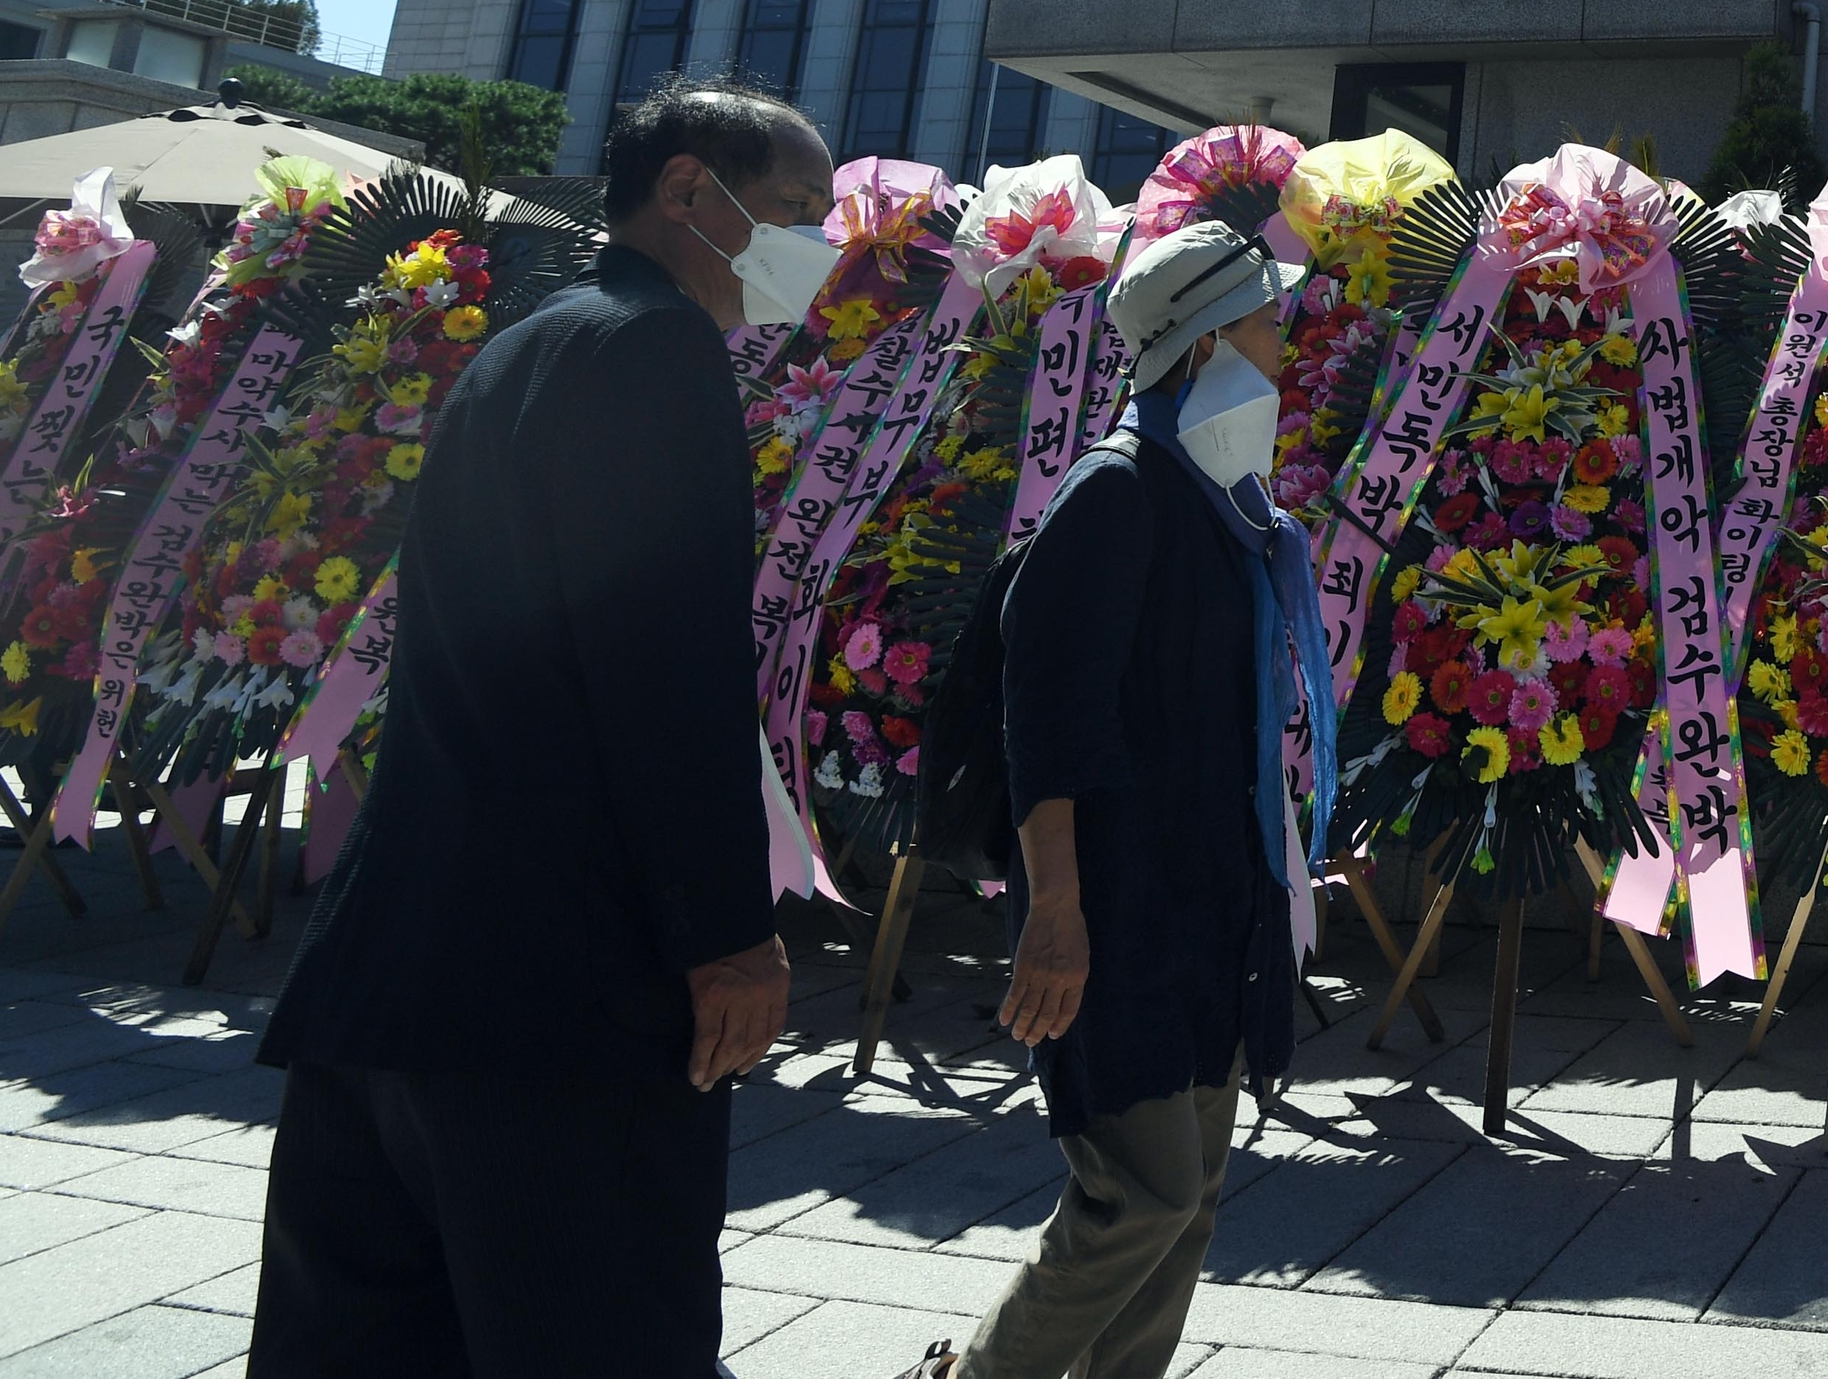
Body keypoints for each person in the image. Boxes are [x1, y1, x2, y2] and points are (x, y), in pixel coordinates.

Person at [252, 76, 835, 1377]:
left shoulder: (527, 341)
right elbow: (661, 668)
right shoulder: (656, 352)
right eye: (800, 205)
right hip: (554, 996)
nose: (823, 241)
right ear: (690, 189)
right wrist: (729, 932)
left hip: (394, 972)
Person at [901, 221, 1331, 1379]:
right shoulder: (1118, 491)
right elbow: (1046, 721)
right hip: (1117, 908)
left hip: (1206, 898)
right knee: (1139, 1194)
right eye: (1262, 318)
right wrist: (1055, 912)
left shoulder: (1216, 499)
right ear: (1202, 346)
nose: (1283, 340)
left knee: (1187, 1201)